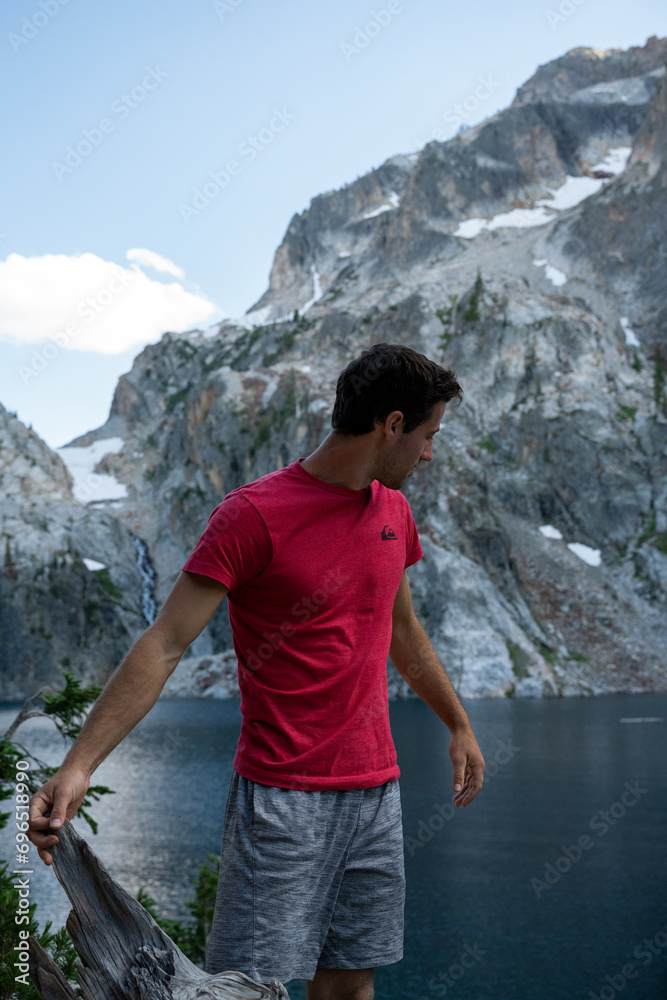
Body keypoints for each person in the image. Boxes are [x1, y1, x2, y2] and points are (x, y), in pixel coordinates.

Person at [28, 342, 485, 1000]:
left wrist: (458, 724)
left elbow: (402, 631)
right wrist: (79, 765)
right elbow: (165, 643)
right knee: (246, 989)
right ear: (390, 425)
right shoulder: (252, 515)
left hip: (375, 794)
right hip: (280, 801)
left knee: (351, 984)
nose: (429, 453)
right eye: (426, 435)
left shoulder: (393, 512)